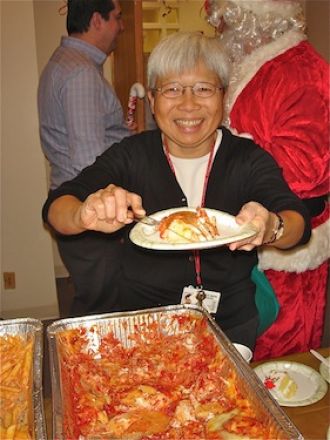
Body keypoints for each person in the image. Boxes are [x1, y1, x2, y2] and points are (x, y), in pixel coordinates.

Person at [42, 31, 311, 350]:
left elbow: (299, 222)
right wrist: (82, 213)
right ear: (153, 100)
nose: (188, 104)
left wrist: (272, 226)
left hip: (229, 325)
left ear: (222, 97)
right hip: (146, 324)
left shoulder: (247, 158)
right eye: (172, 89)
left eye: (203, 89)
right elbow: (56, 208)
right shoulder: (131, 155)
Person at [204, 0, 329, 360]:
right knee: (249, 351)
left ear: (255, 15)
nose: (220, 28)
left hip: (286, 250)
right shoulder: (256, 64)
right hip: (248, 240)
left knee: (280, 359)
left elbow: (308, 169)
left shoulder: (303, 71)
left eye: (226, 18)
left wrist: (228, 156)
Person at [38, 0, 132, 316]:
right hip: (89, 212)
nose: (121, 26)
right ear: (97, 20)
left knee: (96, 301)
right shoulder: (80, 73)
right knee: (100, 310)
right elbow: (89, 163)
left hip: (76, 205)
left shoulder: (69, 62)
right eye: (117, 18)